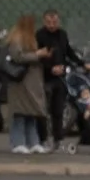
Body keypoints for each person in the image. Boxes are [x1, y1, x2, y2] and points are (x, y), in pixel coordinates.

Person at [4, 15, 50, 155]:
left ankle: (33, 142)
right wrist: (37, 55)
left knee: (31, 113)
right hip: (21, 82)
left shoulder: (27, 38)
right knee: (20, 114)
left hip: (30, 81)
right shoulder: (17, 39)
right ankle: (18, 142)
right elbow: (18, 57)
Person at [36, 9, 73, 148]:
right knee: (43, 110)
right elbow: (37, 57)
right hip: (45, 77)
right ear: (44, 22)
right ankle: (43, 138)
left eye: (54, 22)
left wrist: (81, 63)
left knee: (58, 109)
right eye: (49, 22)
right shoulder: (39, 36)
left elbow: (68, 52)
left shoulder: (62, 35)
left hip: (60, 77)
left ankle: (58, 138)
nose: (52, 25)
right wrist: (50, 68)